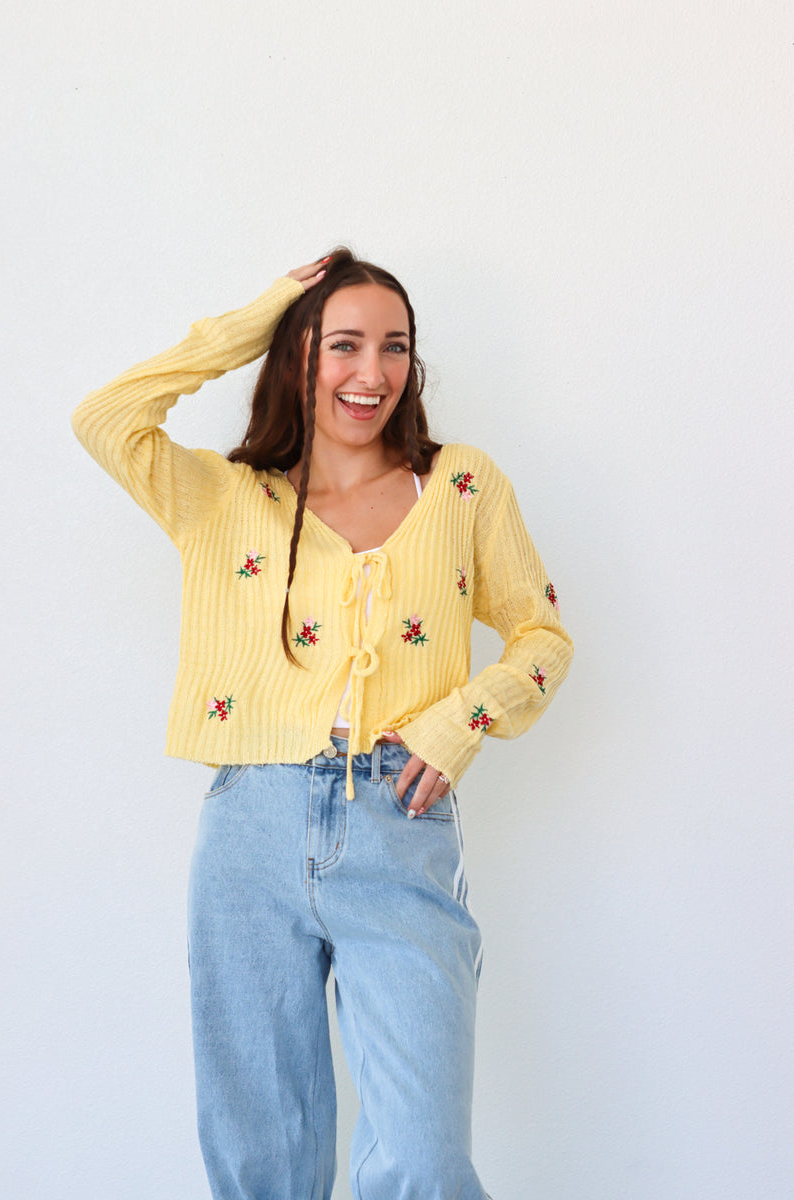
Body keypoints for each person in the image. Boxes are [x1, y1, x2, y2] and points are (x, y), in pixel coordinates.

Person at [72, 249, 573, 1200]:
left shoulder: (460, 486)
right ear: (297, 354)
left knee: (423, 1162)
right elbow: (104, 417)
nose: (372, 372)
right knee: (263, 1160)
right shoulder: (222, 496)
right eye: (343, 344)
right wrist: (258, 315)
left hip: (401, 819)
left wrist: (460, 723)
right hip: (248, 831)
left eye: (395, 347)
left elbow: (542, 637)